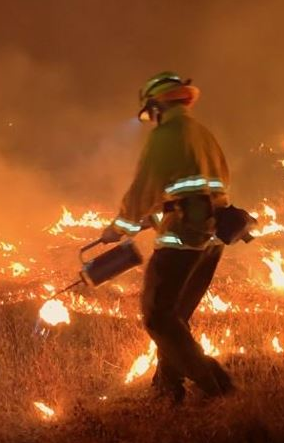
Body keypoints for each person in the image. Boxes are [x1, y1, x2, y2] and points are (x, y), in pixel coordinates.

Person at [101, 71, 235, 403]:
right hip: (212, 239)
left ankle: (217, 387)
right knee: (175, 320)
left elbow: (143, 188)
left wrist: (120, 228)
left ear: (157, 106)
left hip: (182, 240)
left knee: (158, 317)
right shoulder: (202, 134)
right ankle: (166, 389)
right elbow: (197, 189)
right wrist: (160, 214)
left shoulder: (166, 135)